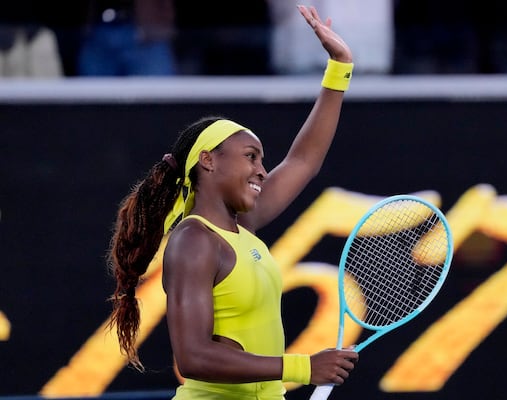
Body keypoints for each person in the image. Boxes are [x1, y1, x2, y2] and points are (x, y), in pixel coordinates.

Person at [107, 5, 358, 399]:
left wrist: (340, 67)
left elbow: (304, 160)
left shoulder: (244, 227)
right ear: (208, 160)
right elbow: (192, 357)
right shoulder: (193, 241)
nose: (262, 170)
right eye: (250, 157)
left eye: (261, 159)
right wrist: (303, 367)